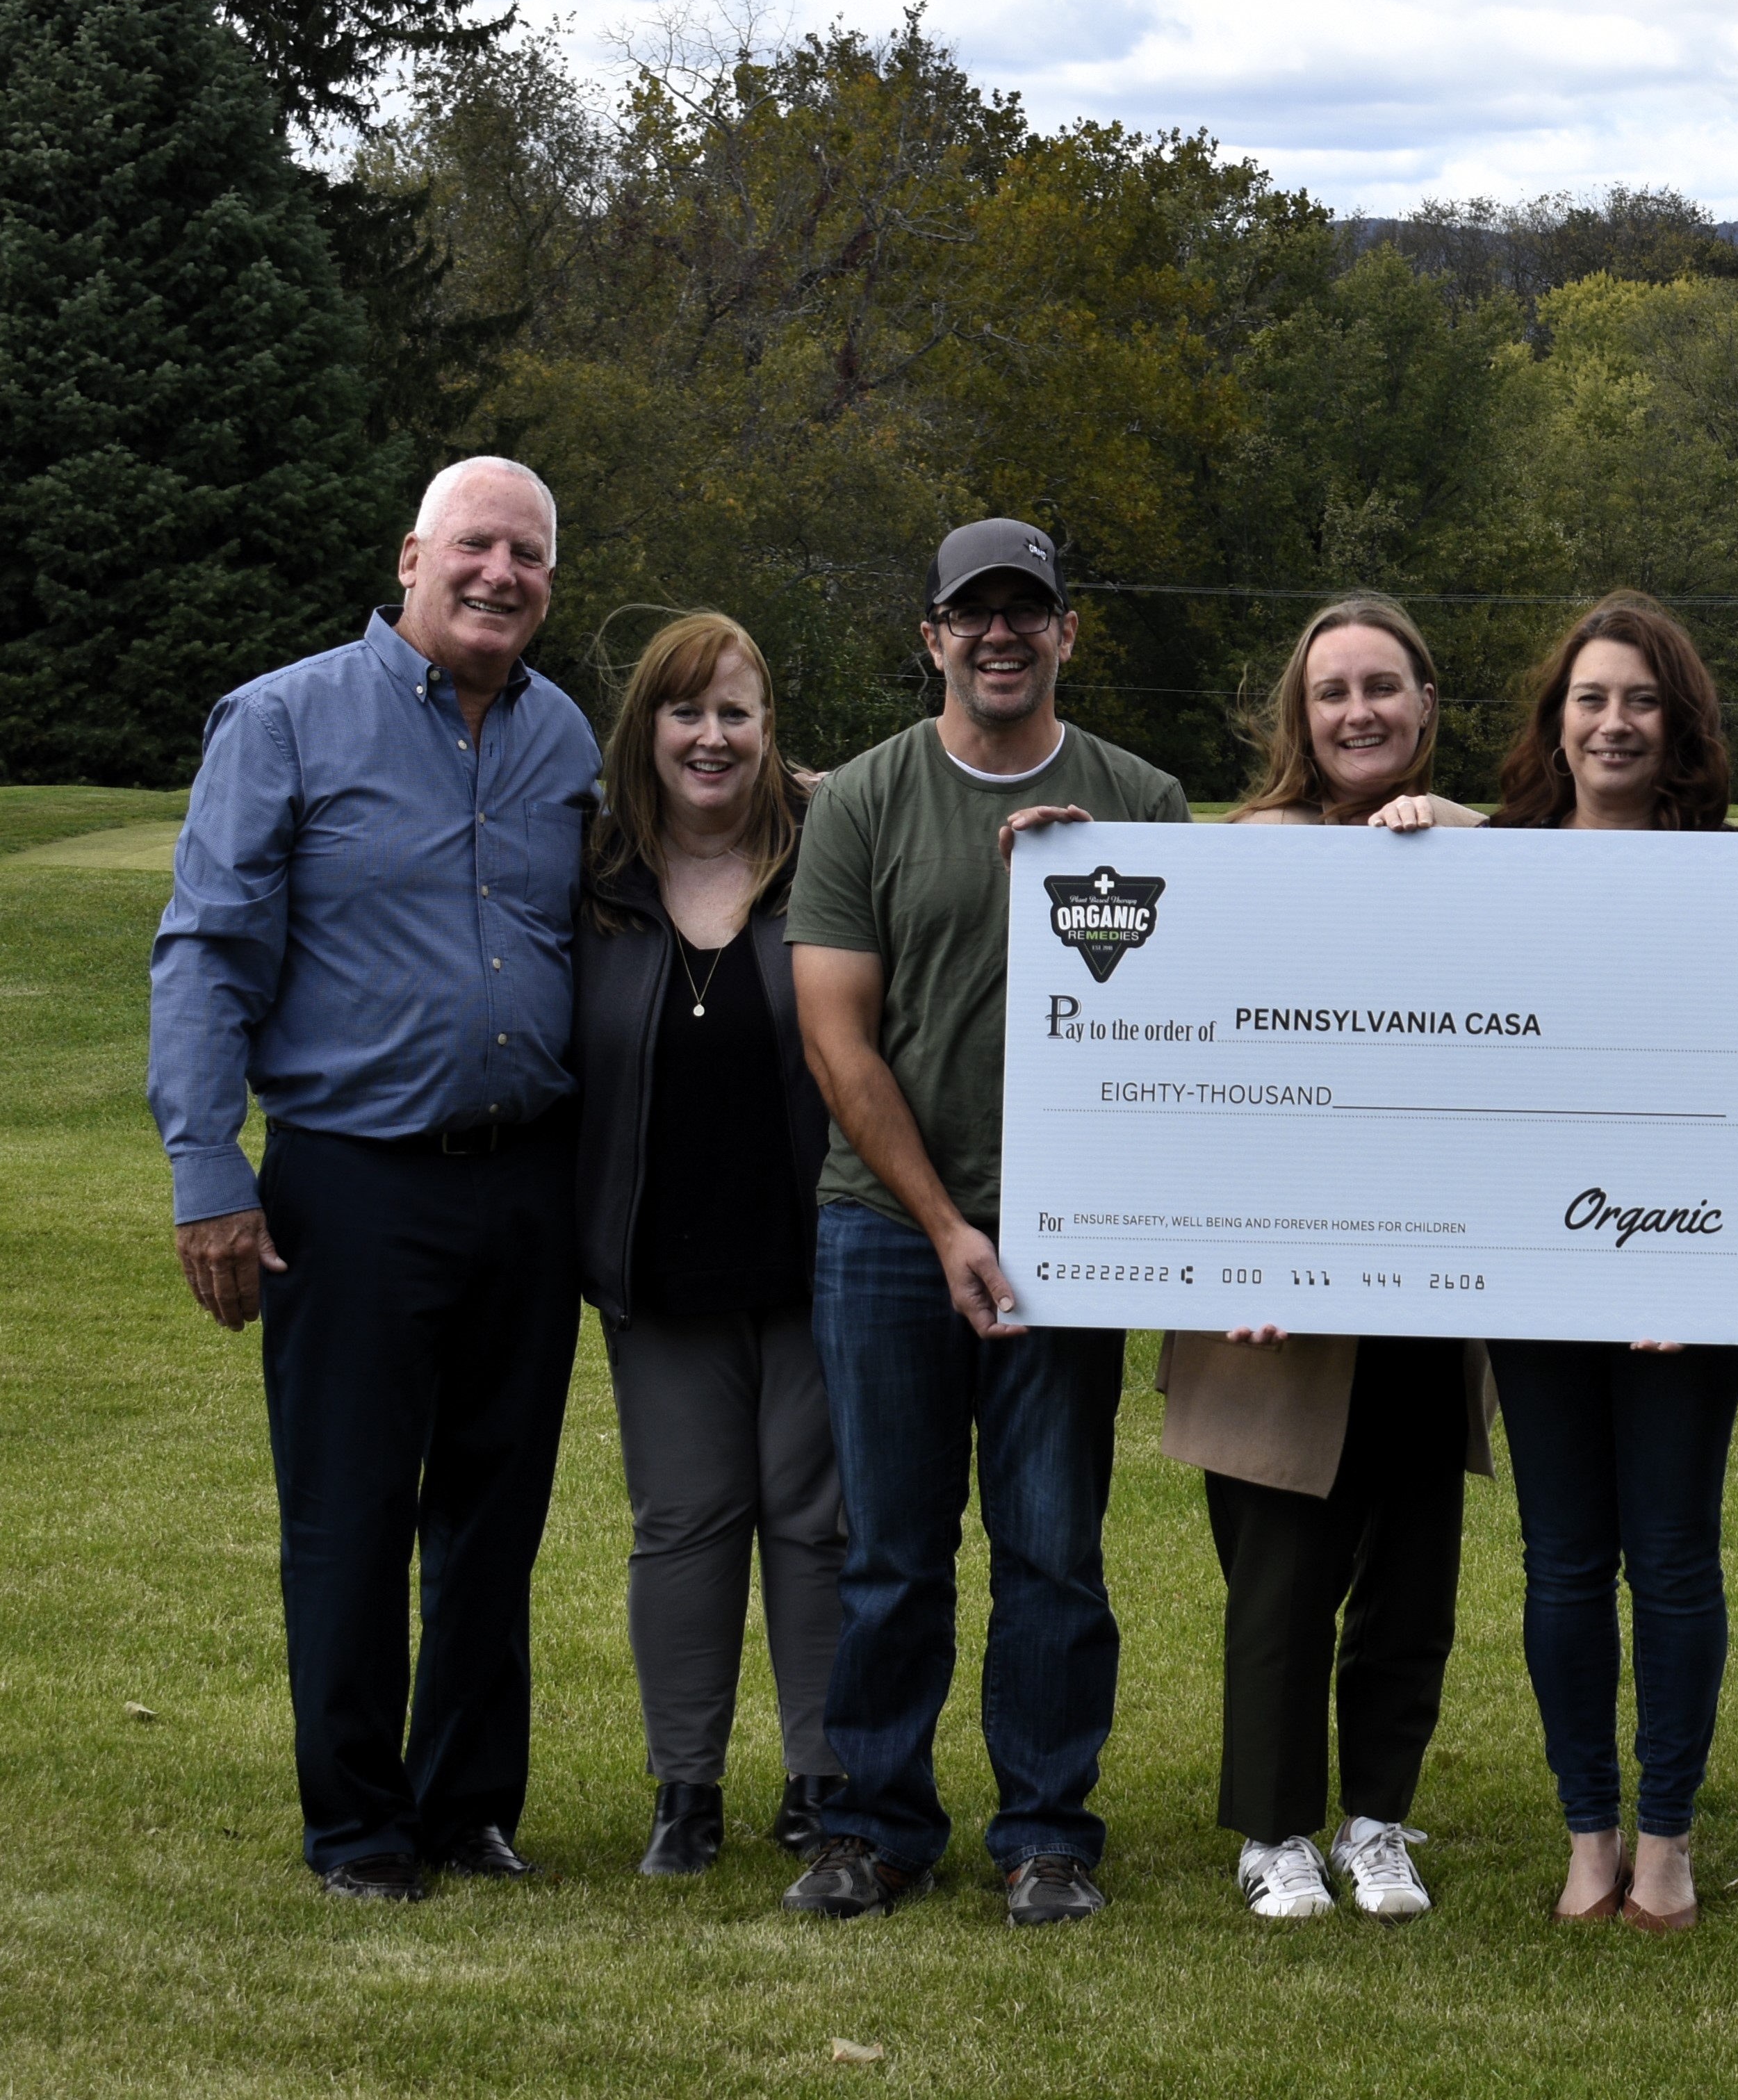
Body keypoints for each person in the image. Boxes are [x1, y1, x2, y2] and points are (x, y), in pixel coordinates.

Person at [149, 456, 594, 1901]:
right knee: (348, 1511)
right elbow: (207, 948)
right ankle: (356, 1824)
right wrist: (208, 1164)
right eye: (477, 543)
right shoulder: (283, 718)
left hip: (528, 1183)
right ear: (412, 554)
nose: (501, 573)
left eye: (528, 554)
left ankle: (467, 1805)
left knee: (494, 1514)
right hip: (350, 1183)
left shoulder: (566, 737)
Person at [779, 518, 1192, 1924]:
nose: (1001, 633)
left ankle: (1046, 1830)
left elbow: (1199, 1010)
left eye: (1030, 610)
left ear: (1070, 632)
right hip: (886, 1229)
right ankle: (875, 1824)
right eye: (975, 612)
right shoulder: (868, 799)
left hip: (1069, 1226)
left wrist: (1098, 890)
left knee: (1051, 1545)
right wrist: (948, 1222)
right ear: (932, 635)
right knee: (892, 1545)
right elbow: (839, 1040)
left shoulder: (1139, 796)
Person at [1139, 595, 1494, 1926]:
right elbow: (1175, 1073)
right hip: (1267, 1309)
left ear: (1424, 704)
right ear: (1300, 713)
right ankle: (1273, 1832)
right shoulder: (1234, 858)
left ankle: (1377, 1821)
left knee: (1413, 1579)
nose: (1360, 712)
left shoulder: (1486, 846)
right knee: (1282, 1575)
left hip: (1429, 1293)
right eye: (1333, 689)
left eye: (1383, 687)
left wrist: (1436, 842)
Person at [1460, 596, 1738, 1933]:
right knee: (1565, 1561)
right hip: (1535, 1275)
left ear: (1675, 720)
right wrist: (1411, 831)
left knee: (1676, 1559)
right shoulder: (1490, 860)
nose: (1614, 721)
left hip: (1690, 1282)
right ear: (1556, 720)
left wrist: (1687, 1262)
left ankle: (1670, 1837)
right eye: (1590, 697)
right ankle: (1589, 1833)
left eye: (1639, 699)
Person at [573, 612, 846, 1879]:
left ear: (769, 731)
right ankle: (685, 1789)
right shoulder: (591, 873)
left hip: (816, 1253)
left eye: (737, 711)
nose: (713, 735)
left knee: (813, 1519)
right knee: (682, 1520)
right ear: (650, 728)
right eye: (688, 711)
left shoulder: (832, 853)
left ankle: (819, 1774)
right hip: (659, 1262)